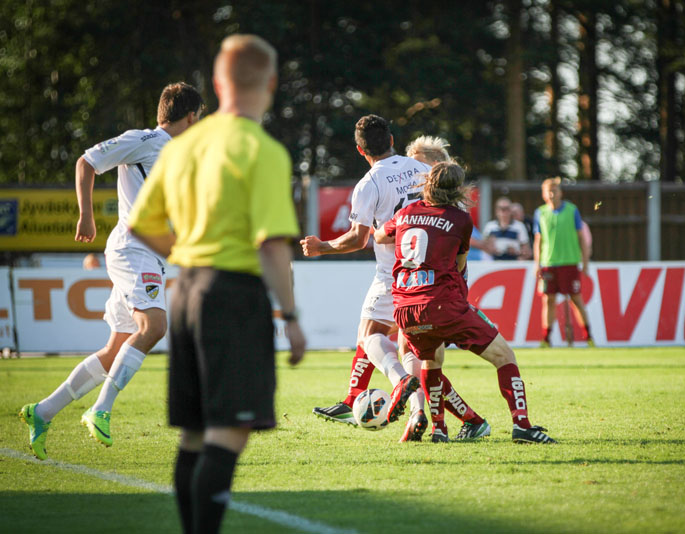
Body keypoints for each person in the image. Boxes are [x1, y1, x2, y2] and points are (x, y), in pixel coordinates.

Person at [128, 34, 306, 534]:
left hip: (184, 291)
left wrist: (186, 254)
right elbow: (273, 245)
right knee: (229, 432)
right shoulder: (262, 150)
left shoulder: (183, 146)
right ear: (269, 84)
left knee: (194, 434)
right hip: (232, 296)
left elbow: (142, 223)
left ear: (219, 83)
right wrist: (290, 319)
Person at [19, 82, 204, 460]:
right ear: (190, 116)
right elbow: (86, 162)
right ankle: (100, 409)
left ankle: (42, 412)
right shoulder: (146, 140)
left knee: (117, 346)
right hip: (132, 249)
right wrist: (86, 215)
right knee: (153, 327)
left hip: (148, 255)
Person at [375, 161, 556, 444]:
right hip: (442, 304)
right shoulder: (461, 219)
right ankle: (522, 426)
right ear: (458, 190)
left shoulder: (406, 212)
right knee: (504, 356)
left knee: (430, 363)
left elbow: (378, 235)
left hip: (405, 309)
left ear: (427, 184)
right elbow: (459, 265)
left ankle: (439, 429)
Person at [302, 120, 439, 442]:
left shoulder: (369, 183)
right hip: (433, 269)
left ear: (360, 150)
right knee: (410, 342)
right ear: (392, 140)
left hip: (396, 273)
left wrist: (322, 247)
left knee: (369, 336)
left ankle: (399, 381)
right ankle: (418, 413)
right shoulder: (421, 167)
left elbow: (358, 239)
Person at [533, 177, 594, 347]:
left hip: (569, 262)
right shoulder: (540, 213)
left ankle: (588, 336)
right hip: (548, 264)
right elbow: (538, 241)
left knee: (576, 299)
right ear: (544, 194)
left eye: (555, 191)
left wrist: (585, 262)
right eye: (549, 191)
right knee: (548, 300)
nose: (552, 194)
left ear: (561, 192)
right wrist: (536, 264)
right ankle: (546, 339)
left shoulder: (572, 210)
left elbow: (582, 238)